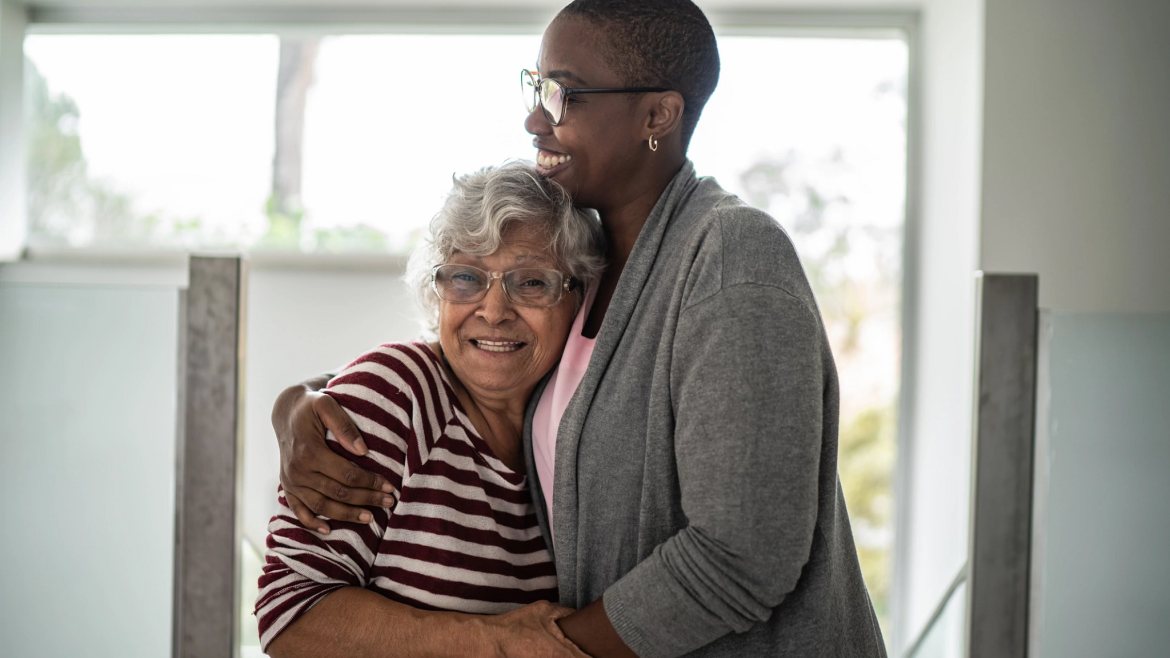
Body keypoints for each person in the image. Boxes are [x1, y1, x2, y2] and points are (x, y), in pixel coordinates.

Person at [271, 0, 887, 656]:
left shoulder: (731, 252)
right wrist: (297, 407)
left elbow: (744, 553)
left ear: (657, 116)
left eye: (565, 93)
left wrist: (539, 647)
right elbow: (474, 358)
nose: (535, 116)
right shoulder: (593, 266)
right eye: (537, 88)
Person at [257, 162, 605, 658]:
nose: (493, 310)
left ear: (580, 296)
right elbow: (288, 613)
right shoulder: (396, 395)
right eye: (466, 278)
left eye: (531, 283)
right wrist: (493, 641)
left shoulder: (564, 424)